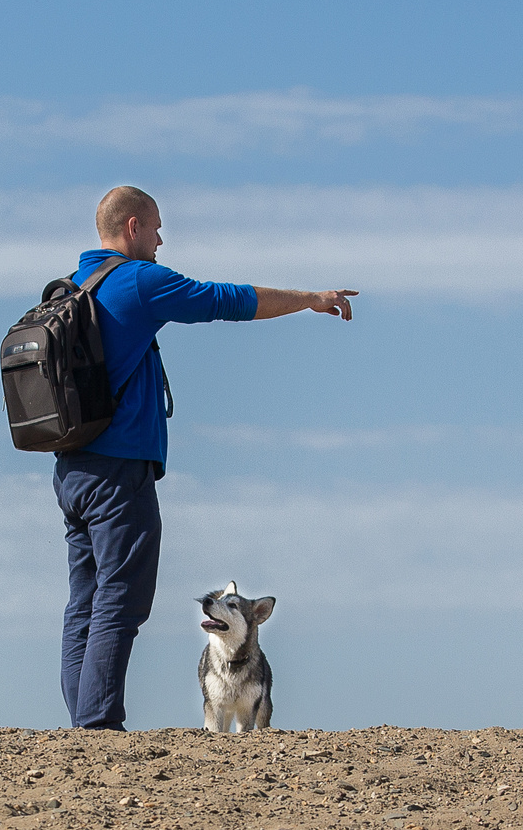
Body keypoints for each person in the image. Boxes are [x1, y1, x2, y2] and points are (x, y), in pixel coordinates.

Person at [49, 186, 357, 730]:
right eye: (158, 228)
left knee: (85, 602)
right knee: (120, 600)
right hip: (120, 469)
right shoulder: (138, 281)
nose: (163, 239)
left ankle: (83, 727)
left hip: (71, 468)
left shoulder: (72, 287)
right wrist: (310, 298)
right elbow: (226, 300)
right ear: (133, 228)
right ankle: (95, 728)